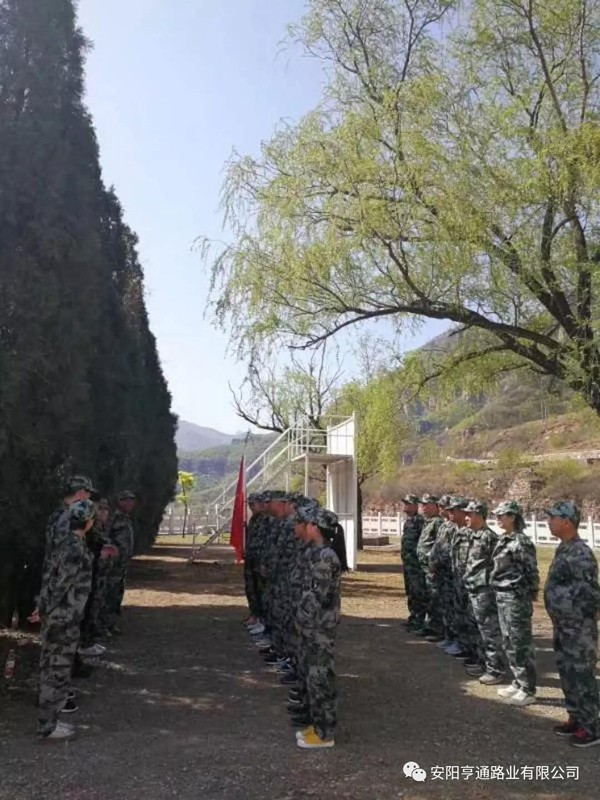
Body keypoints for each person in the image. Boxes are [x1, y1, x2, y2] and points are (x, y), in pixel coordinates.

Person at [37, 499, 95, 741]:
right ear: (88, 522)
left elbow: (49, 578)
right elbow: (61, 584)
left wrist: (41, 607)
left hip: (60, 616)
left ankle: (51, 719)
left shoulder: (64, 543)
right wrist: (45, 608)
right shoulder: (75, 548)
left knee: (54, 666)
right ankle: (48, 725)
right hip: (63, 618)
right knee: (57, 669)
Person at [544, 501, 600, 748]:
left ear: (567, 522)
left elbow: (590, 593)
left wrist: (578, 619)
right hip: (564, 624)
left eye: (553, 518)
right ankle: (576, 717)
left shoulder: (580, 553)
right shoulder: (564, 549)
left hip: (578, 627)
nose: (549, 522)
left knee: (582, 675)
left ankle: (592, 727)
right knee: (567, 673)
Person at [294, 504, 344, 750]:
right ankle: (317, 725)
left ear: (316, 528)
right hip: (311, 627)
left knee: (320, 678)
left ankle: (325, 734)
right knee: (311, 677)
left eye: (308, 523)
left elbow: (317, 596)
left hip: (319, 628)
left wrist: (302, 618)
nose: (304, 526)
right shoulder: (315, 551)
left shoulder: (325, 556)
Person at [490, 500, 539, 706]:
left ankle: (528, 689)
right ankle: (518, 682)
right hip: (503, 595)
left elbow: (531, 572)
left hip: (515, 598)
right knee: (509, 641)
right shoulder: (505, 539)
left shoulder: (521, 542)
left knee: (520, 643)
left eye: (501, 515)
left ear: (512, 517)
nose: (498, 519)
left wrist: (526, 595)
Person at [463, 501, 504, 685]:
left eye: (469, 514)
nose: (466, 518)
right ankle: (483, 662)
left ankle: (496, 669)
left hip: (484, 591)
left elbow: (497, 566)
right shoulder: (474, 536)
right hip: (473, 589)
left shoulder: (489, 538)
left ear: (480, 515)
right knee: (478, 629)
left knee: (489, 631)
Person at [430, 496, 467, 656]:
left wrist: (439, 562)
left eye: (452, 509)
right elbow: (439, 546)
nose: (445, 510)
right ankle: (450, 637)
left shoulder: (458, 529)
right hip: (443, 573)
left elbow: (451, 552)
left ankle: (458, 641)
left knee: (456, 609)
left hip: (452, 574)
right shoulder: (446, 526)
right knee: (446, 607)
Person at [104, 490, 136, 634]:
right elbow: (105, 537)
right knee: (108, 594)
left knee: (117, 594)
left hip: (122, 564)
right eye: (127, 500)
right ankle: (103, 625)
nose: (130, 503)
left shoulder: (127, 518)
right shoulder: (113, 518)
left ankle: (112, 623)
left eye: (132, 500)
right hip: (112, 565)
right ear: (120, 502)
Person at [416, 494, 444, 640]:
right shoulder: (428, 522)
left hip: (432, 568)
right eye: (422, 505)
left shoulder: (438, 522)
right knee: (428, 596)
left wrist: (433, 563)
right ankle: (429, 625)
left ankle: (436, 628)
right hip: (424, 568)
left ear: (435, 506)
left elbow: (439, 545)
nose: (424, 508)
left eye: (427, 505)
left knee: (434, 598)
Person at [400, 494, 426, 631]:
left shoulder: (419, 522)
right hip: (408, 563)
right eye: (404, 503)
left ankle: (419, 620)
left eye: (408, 503)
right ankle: (413, 617)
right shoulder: (408, 522)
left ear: (416, 506)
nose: (405, 506)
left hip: (416, 565)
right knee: (410, 591)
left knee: (417, 592)